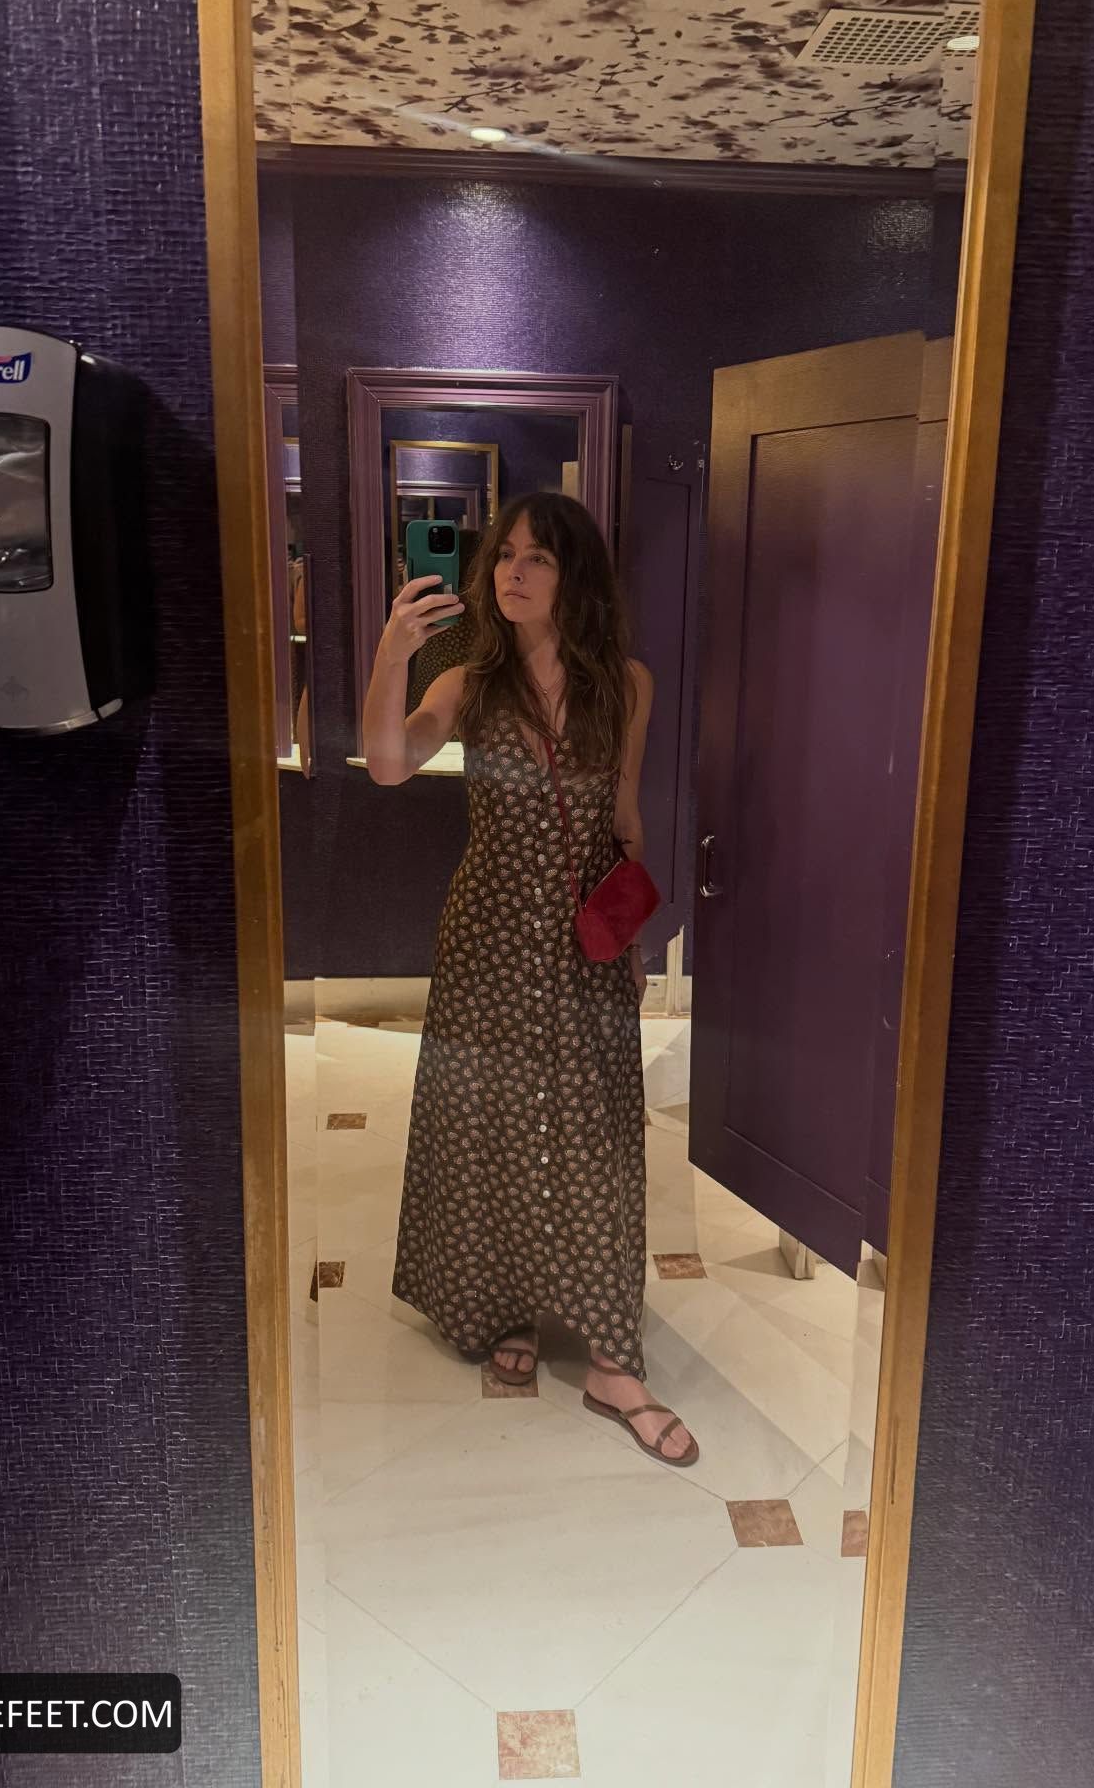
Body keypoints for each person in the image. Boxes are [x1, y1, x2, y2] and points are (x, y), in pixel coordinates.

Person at [362, 491, 698, 1468]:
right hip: (488, 939)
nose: (513, 571)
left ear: (573, 575)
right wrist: (392, 652)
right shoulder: (468, 682)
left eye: (538, 557)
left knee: (599, 1137)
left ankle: (612, 1362)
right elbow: (388, 764)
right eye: (504, 554)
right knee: (494, 1125)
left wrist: (629, 938)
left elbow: (624, 816)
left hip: (586, 946)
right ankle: (504, 1304)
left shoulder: (625, 686)